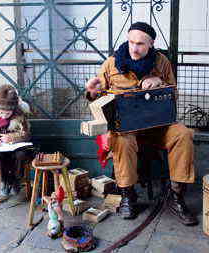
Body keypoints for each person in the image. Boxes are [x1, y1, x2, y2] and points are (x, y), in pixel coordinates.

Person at [85, 22, 198, 225]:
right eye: (131, 42)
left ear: (151, 44)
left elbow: (174, 93)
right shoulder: (111, 64)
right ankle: (128, 195)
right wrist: (92, 93)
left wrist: (160, 83)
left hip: (157, 127)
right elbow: (98, 98)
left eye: (140, 44)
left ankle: (177, 196)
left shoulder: (161, 62)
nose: (134, 49)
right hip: (126, 128)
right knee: (122, 140)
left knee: (183, 133)